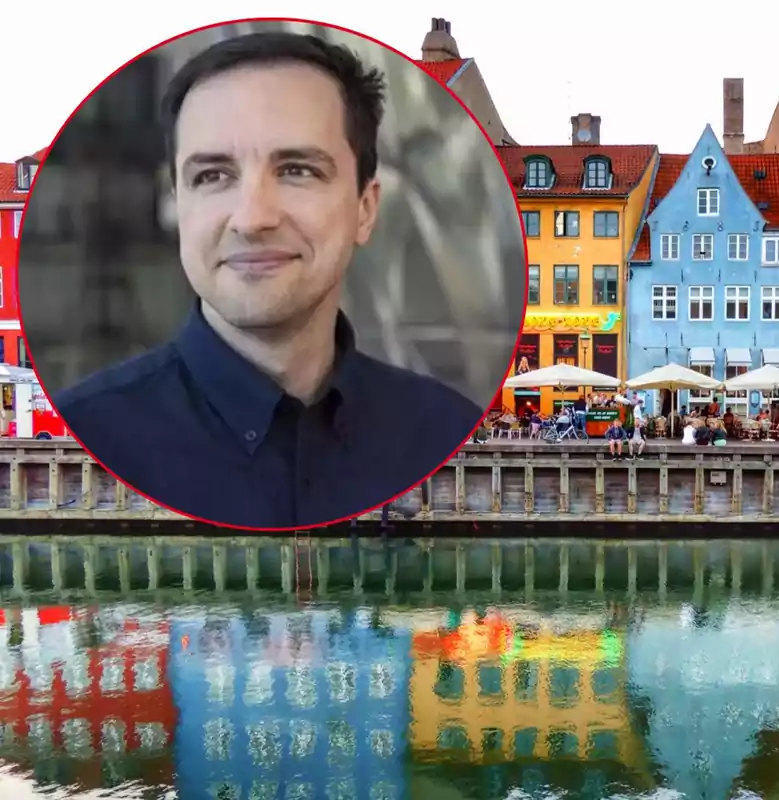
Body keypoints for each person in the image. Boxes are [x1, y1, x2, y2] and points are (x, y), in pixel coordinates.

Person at [48, 33, 489, 529]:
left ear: (365, 209)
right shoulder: (87, 431)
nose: (252, 219)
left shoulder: (445, 430)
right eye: (212, 175)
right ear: (173, 204)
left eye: (297, 170)